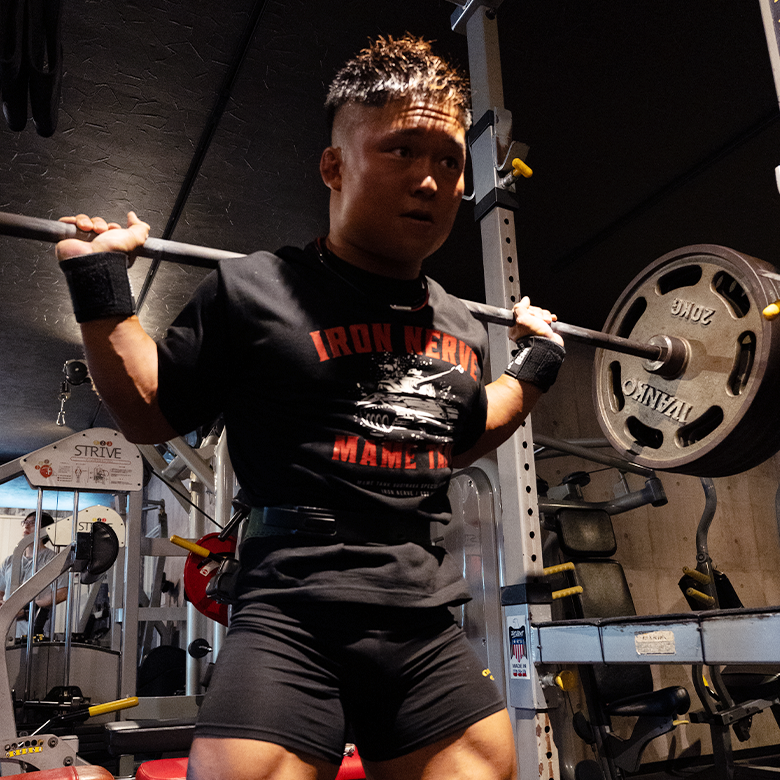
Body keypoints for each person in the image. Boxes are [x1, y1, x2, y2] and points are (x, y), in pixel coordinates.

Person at [55, 35, 565, 780]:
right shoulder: (254, 290)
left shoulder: (458, 322)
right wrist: (99, 282)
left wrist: (536, 366)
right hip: (292, 607)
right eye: (402, 150)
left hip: (419, 616)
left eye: (449, 161)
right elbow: (150, 412)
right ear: (334, 166)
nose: (430, 180)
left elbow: (455, 440)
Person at [0, 512, 68, 638]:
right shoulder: (10, 561)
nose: (26, 525)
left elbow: (62, 592)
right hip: (7, 630)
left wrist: (28, 609)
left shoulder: (52, 560)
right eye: (25, 522)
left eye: (33, 523)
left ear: (45, 530)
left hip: (34, 630)